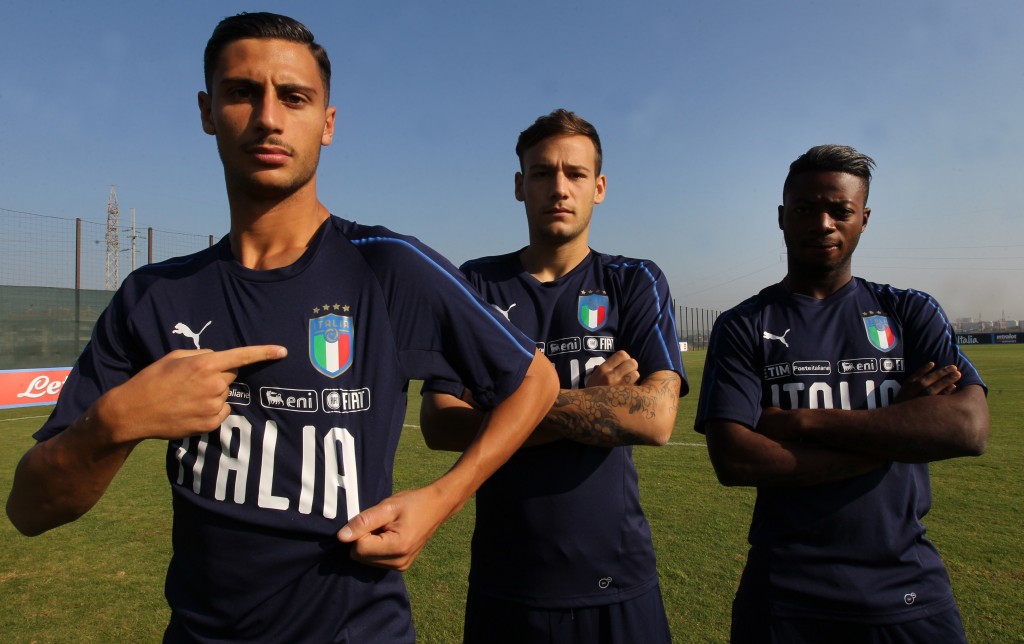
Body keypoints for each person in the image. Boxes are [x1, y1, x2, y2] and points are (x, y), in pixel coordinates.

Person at [5, 12, 559, 642]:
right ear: (207, 111)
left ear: (326, 124)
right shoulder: (154, 296)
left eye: (294, 98)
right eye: (242, 92)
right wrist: (114, 422)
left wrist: (442, 499)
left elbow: (533, 381)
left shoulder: (386, 265)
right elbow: (29, 510)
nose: (269, 117)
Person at [694, 144, 990, 642]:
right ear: (783, 217)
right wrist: (897, 427)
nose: (824, 223)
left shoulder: (910, 311)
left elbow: (968, 428)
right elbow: (736, 460)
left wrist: (802, 423)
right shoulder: (744, 324)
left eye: (841, 210)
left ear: (864, 218)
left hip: (908, 591)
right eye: (807, 210)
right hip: (785, 596)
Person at [420, 109, 686, 643]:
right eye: (542, 173)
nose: (558, 188)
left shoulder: (634, 280)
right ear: (520, 186)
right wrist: (593, 402)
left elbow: (655, 418)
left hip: (618, 579)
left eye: (575, 174)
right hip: (508, 581)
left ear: (600, 187)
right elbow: (440, 423)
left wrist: (510, 410)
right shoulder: (474, 284)